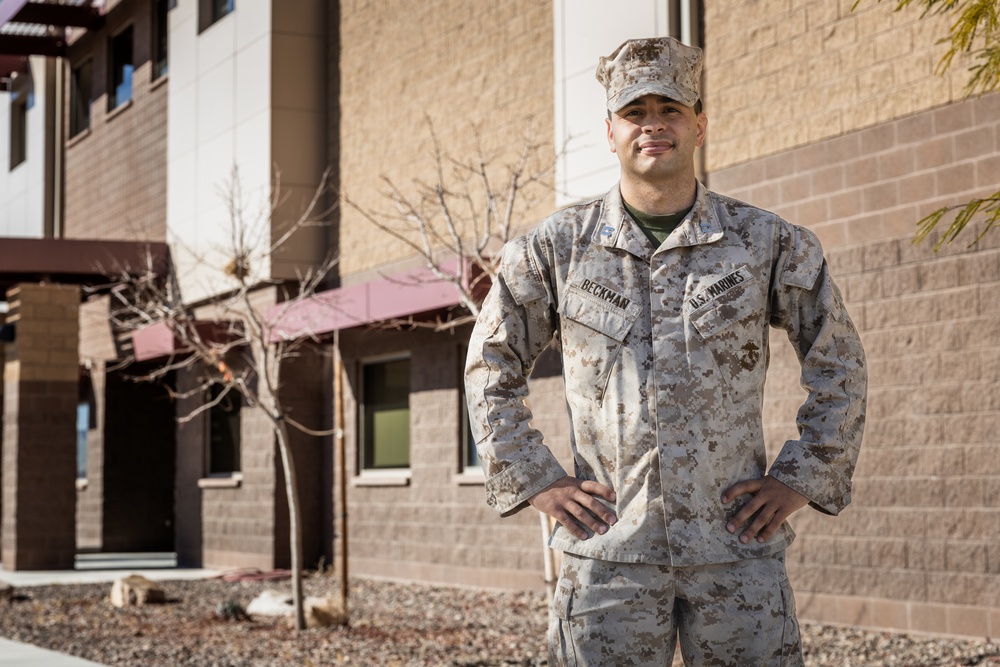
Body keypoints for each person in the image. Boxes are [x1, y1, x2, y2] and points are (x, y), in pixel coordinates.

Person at [465, 36, 867, 666]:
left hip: (735, 552)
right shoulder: (555, 250)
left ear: (699, 124)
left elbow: (837, 360)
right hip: (607, 560)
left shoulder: (766, 243)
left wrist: (803, 476)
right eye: (635, 112)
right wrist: (535, 480)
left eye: (670, 109)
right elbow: (491, 364)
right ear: (610, 131)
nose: (652, 124)